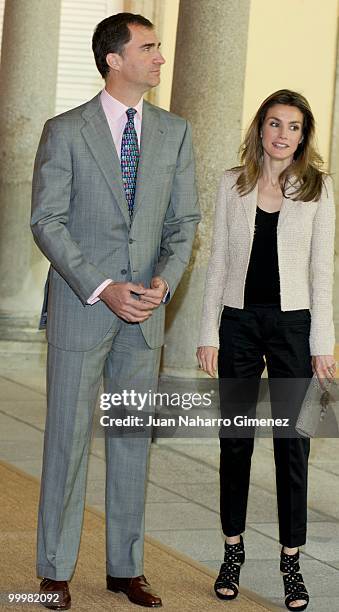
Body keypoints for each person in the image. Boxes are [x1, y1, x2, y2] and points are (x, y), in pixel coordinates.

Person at [31, 12, 199, 610]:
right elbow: (46, 221)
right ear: (114, 58)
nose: (159, 57)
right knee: (67, 440)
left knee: (131, 440)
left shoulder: (174, 132)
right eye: (148, 47)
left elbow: (184, 224)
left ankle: (125, 568)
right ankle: (53, 570)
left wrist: (162, 282)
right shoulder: (65, 131)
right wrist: (103, 286)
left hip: (146, 313)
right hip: (84, 308)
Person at [197, 89, 336, 611]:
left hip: (293, 329)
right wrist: (208, 331)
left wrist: (323, 344)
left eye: (294, 126)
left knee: (292, 445)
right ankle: (232, 551)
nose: (283, 134)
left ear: (304, 135)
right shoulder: (232, 184)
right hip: (237, 323)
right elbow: (217, 263)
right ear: (261, 129)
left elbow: (322, 272)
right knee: (234, 440)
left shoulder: (319, 189)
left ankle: (291, 561)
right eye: (274, 123)